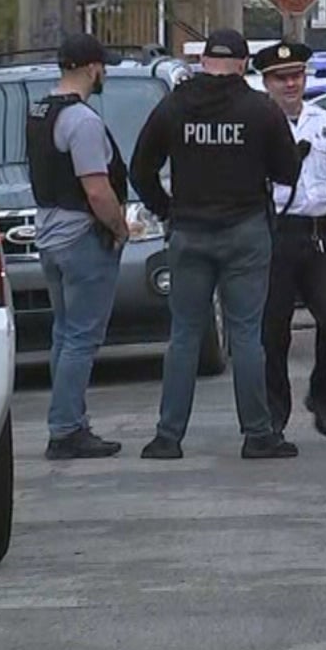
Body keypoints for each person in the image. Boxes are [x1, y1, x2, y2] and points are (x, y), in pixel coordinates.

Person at [131, 29, 303, 459]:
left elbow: (140, 169)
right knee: (246, 334)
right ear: (244, 64)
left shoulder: (174, 105)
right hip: (245, 230)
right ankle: (258, 434)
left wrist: (166, 209)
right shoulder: (259, 109)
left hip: (189, 231)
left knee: (185, 335)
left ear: (204, 61)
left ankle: (168, 437)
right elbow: (287, 173)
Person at [254, 41, 326, 439]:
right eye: (281, 78)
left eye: (297, 76)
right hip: (275, 236)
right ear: (265, 82)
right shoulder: (257, 125)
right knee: (273, 331)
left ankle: (323, 398)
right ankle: (274, 416)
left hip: (320, 234)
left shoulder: (324, 122)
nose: (290, 84)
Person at [28, 33, 130, 460]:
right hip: (81, 237)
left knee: (65, 334)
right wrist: (120, 227)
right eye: (103, 67)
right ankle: (67, 428)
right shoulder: (83, 121)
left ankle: (68, 420)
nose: (103, 74)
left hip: (50, 235)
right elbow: (97, 189)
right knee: (83, 338)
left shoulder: (40, 109)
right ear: (92, 68)